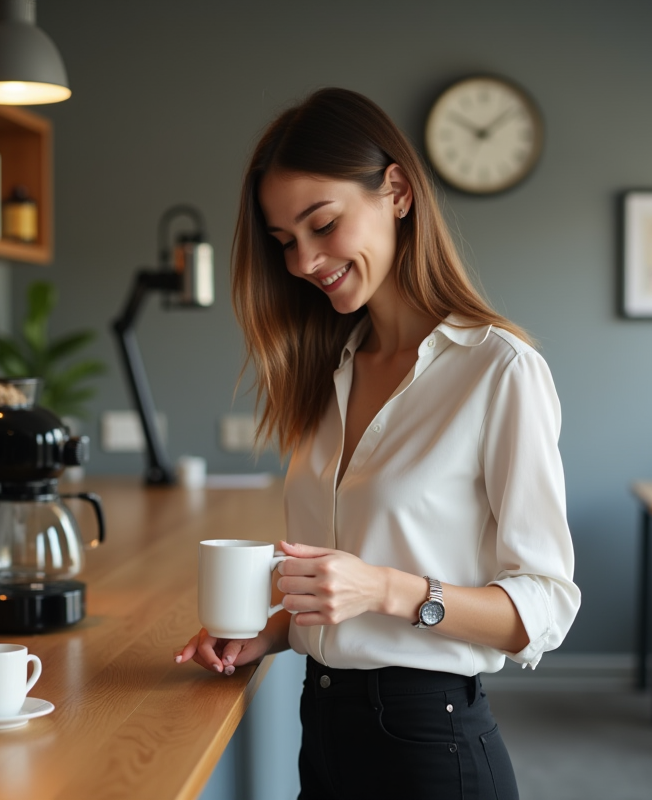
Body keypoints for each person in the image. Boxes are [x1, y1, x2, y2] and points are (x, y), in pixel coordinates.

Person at [174, 87, 580, 800]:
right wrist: (270, 630)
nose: (303, 261)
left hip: (432, 746)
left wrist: (388, 589)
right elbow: (345, 590)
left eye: (322, 224)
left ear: (396, 191)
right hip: (326, 728)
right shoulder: (325, 371)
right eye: (285, 241)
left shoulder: (498, 369)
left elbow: (545, 607)